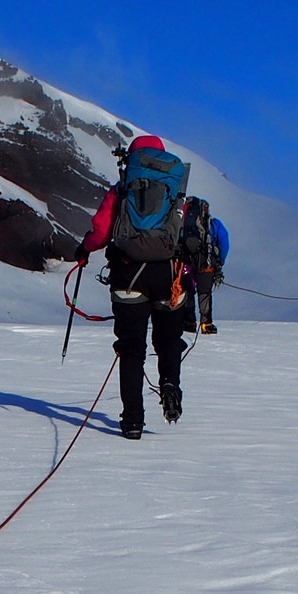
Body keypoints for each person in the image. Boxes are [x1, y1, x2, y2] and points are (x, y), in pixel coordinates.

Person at [77, 135, 192, 440]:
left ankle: (132, 422)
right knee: (168, 341)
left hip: (128, 276)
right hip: (169, 277)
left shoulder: (123, 188)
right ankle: (170, 386)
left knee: (131, 350)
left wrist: (84, 249)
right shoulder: (176, 192)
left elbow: (101, 232)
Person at [179, 197, 230, 335]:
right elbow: (224, 242)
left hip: (187, 261)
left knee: (188, 290)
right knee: (204, 293)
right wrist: (219, 262)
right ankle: (206, 323)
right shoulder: (213, 224)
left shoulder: (182, 222)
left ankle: (189, 322)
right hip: (206, 262)